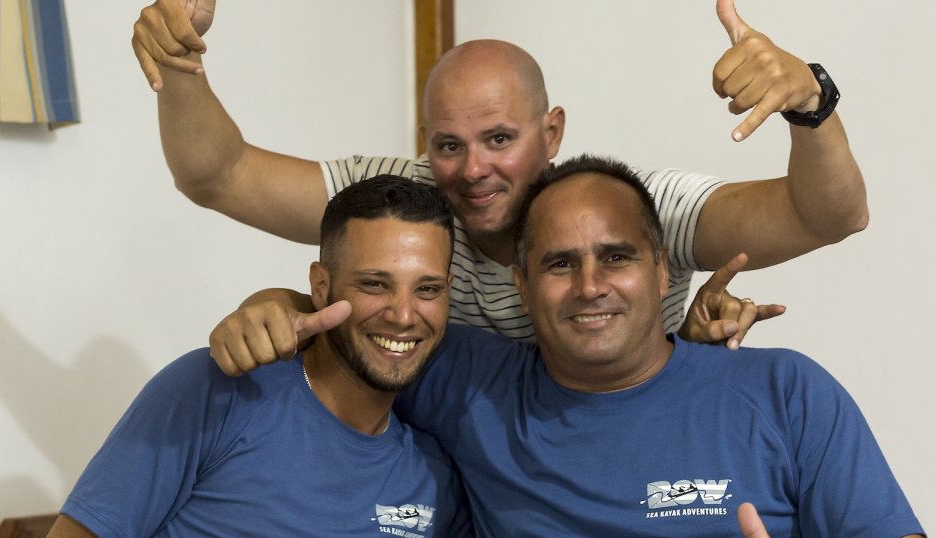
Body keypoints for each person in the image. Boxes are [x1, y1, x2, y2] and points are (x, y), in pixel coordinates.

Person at [287, 155, 936, 538]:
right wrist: (278, 306)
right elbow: (361, 332)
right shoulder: (466, 381)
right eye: (560, 264)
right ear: (521, 284)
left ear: (662, 269)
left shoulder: (781, 392)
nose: (591, 287)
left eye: (616, 257)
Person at [129, 0, 864, 376]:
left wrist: (810, 103)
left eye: (500, 140)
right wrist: (181, 61)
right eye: (448, 145)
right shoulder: (401, 204)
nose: (472, 169)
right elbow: (218, 174)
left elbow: (826, 214)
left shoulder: (630, 210)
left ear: (554, 132)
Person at [29, 176, 474, 538]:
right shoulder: (217, 390)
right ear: (321, 286)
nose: (403, 314)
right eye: (375, 284)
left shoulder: (436, 475)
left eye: (427, 289)